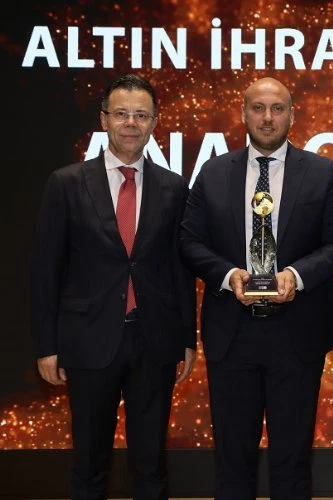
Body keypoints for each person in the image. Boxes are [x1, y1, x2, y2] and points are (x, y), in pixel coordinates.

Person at [179, 77, 333, 499]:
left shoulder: (322, 172)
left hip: (297, 333)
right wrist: (228, 275)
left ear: (292, 115)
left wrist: (297, 274)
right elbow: (189, 241)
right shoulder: (213, 172)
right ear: (243, 113)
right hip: (232, 333)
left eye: (277, 108)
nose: (268, 117)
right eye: (258, 108)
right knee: (232, 461)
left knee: (292, 461)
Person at [31, 74, 197, 499]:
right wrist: (46, 345)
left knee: (151, 464)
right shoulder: (66, 183)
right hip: (87, 341)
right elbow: (47, 271)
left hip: (154, 341)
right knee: (89, 463)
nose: (131, 123)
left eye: (141, 115)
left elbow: (180, 269)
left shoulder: (174, 187)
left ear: (154, 122)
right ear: (104, 119)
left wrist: (186, 339)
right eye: (121, 114)